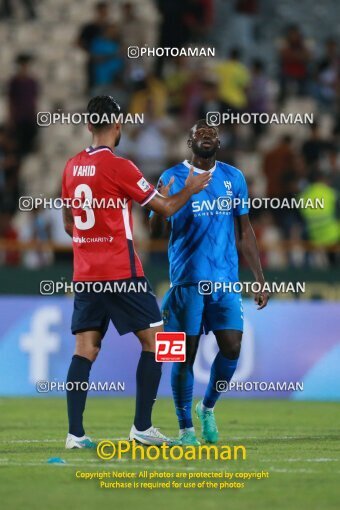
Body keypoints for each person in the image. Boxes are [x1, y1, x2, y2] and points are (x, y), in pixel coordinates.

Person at [61, 96, 211, 449]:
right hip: (120, 272)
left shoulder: (70, 166)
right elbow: (165, 208)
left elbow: (69, 223)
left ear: (88, 126)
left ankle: (75, 434)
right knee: (161, 343)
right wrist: (189, 188)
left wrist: (91, 239)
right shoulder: (120, 167)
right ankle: (142, 427)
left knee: (84, 349)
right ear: (117, 126)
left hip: (86, 274)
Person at [150, 119, 268, 445]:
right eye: (200, 133)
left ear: (219, 143)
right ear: (189, 142)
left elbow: (244, 231)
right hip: (186, 282)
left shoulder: (234, 177)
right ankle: (186, 430)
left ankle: (208, 407)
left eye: (212, 134)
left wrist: (259, 278)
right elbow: (155, 232)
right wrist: (165, 201)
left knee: (232, 347)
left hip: (226, 282)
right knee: (183, 356)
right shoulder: (171, 177)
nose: (206, 137)